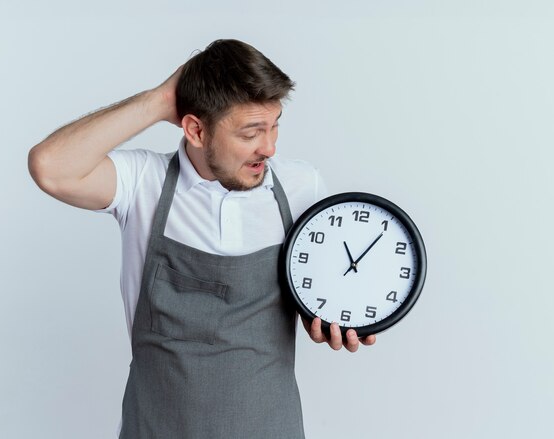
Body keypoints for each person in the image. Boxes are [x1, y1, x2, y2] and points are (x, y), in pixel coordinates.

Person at [28, 38, 376, 439]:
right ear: (195, 129)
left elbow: (325, 290)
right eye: (251, 132)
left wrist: (334, 318)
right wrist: (160, 100)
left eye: (275, 124)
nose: (270, 147)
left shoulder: (300, 186)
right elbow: (50, 167)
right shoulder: (144, 183)